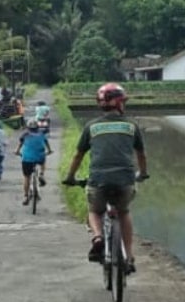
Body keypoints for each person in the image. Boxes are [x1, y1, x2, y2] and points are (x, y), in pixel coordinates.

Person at [63, 83, 149, 273]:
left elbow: (78, 155)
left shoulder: (91, 127)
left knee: (94, 211)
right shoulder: (131, 125)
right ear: (119, 104)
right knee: (124, 212)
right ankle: (129, 257)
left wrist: (70, 177)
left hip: (98, 180)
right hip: (125, 180)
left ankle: (97, 237)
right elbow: (141, 155)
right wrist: (142, 174)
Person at [18, 119, 53, 205]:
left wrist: (17, 151)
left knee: (27, 177)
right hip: (39, 157)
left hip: (27, 159)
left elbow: (20, 144)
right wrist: (49, 150)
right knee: (43, 159)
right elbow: (46, 143)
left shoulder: (25, 134)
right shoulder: (41, 134)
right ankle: (41, 174)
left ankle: (26, 196)